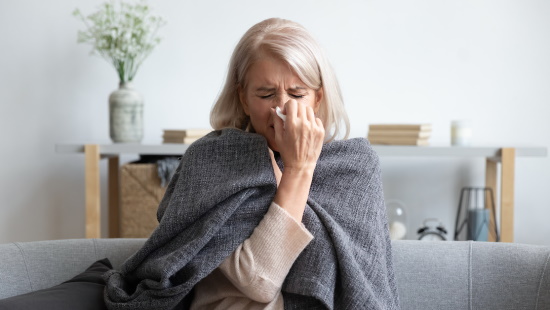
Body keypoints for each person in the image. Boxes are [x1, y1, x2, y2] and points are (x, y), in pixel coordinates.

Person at [104, 17, 399, 310]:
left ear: (318, 99)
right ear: (243, 98)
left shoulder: (354, 167)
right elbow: (257, 280)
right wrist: (299, 169)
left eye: (298, 94)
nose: (282, 109)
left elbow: (368, 285)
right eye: (266, 94)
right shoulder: (211, 161)